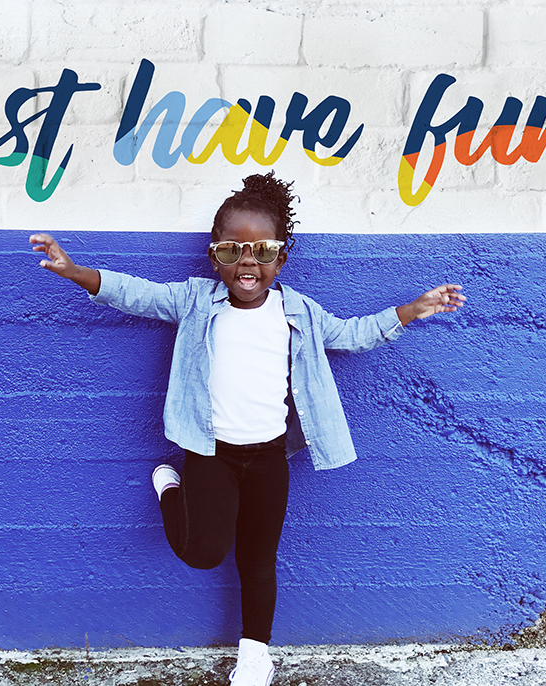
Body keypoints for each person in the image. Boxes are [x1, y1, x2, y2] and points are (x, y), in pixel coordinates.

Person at [29, 172, 465, 686]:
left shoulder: (297, 310)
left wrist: (409, 311)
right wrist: (74, 270)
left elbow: (350, 335)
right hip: (211, 454)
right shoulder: (194, 301)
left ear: (282, 257)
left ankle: (256, 653)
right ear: (216, 255)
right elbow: (135, 294)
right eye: (234, 250)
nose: (248, 263)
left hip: (268, 458)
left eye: (263, 251)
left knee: (258, 559)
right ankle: (170, 487)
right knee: (202, 552)